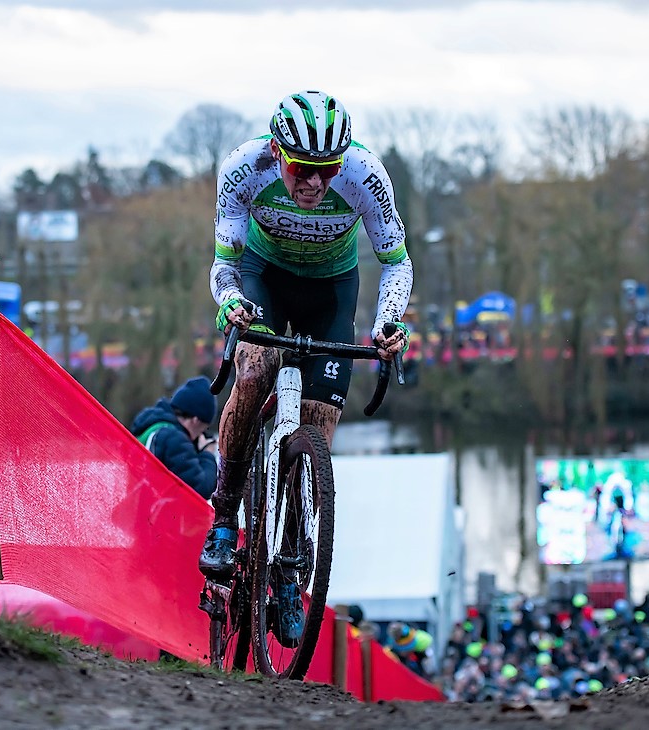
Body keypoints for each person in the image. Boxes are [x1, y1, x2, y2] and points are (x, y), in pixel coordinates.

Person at [196, 90, 413, 648]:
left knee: (317, 424)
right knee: (257, 366)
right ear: (277, 153)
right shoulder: (244, 169)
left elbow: (396, 261)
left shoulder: (367, 174)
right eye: (302, 169)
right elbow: (224, 263)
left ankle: (290, 574)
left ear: (343, 162)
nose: (315, 183)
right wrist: (230, 302)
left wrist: (387, 324)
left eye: (326, 170)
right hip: (262, 274)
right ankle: (224, 516)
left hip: (331, 291)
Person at [129, 376, 218, 499]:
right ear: (195, 420)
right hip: (151, 515)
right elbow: (199, 490)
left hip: (135, 509)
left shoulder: (152, 428)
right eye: (203, 429)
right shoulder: (174, 439)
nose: (200, 436)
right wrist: (207, 454)